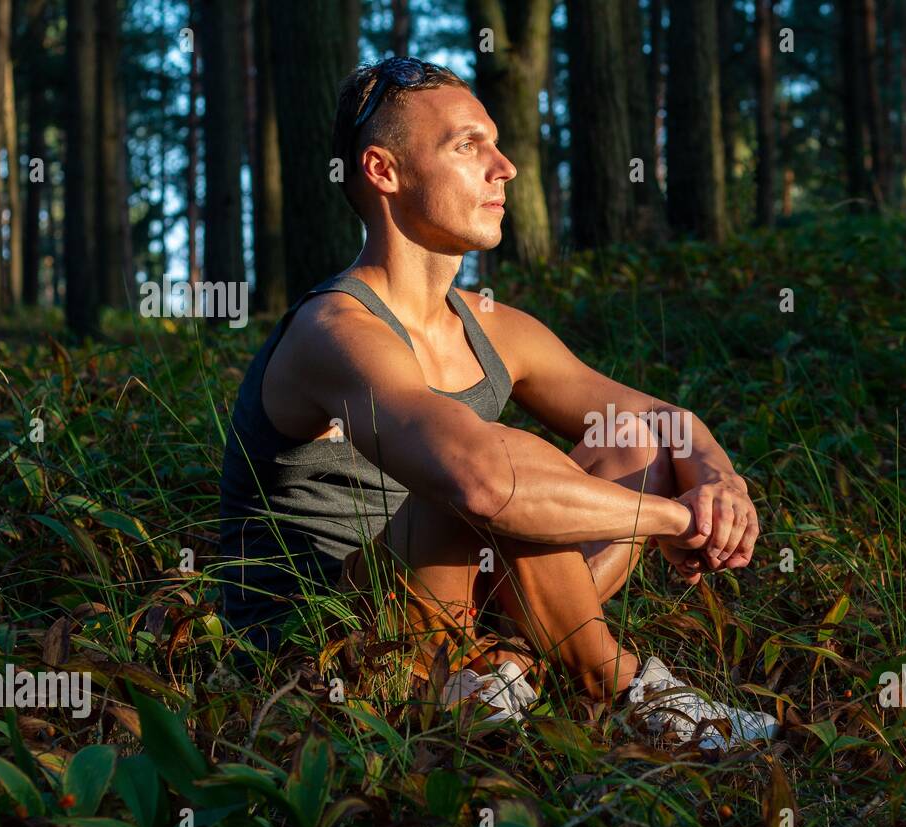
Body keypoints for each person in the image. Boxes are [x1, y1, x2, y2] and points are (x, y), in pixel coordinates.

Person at [217, 56, 777, 749]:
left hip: (452, 612)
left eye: (496, 142)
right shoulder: (334, 331)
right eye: (467, 145)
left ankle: (502, 671)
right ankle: (623, 686)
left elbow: (663, 423)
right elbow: (479, 481)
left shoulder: (491, 326)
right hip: (324, 645)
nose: (504, 166)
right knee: (493, 466)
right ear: (383, 172)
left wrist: (720, 481)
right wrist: (670, 518)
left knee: (628, 436)